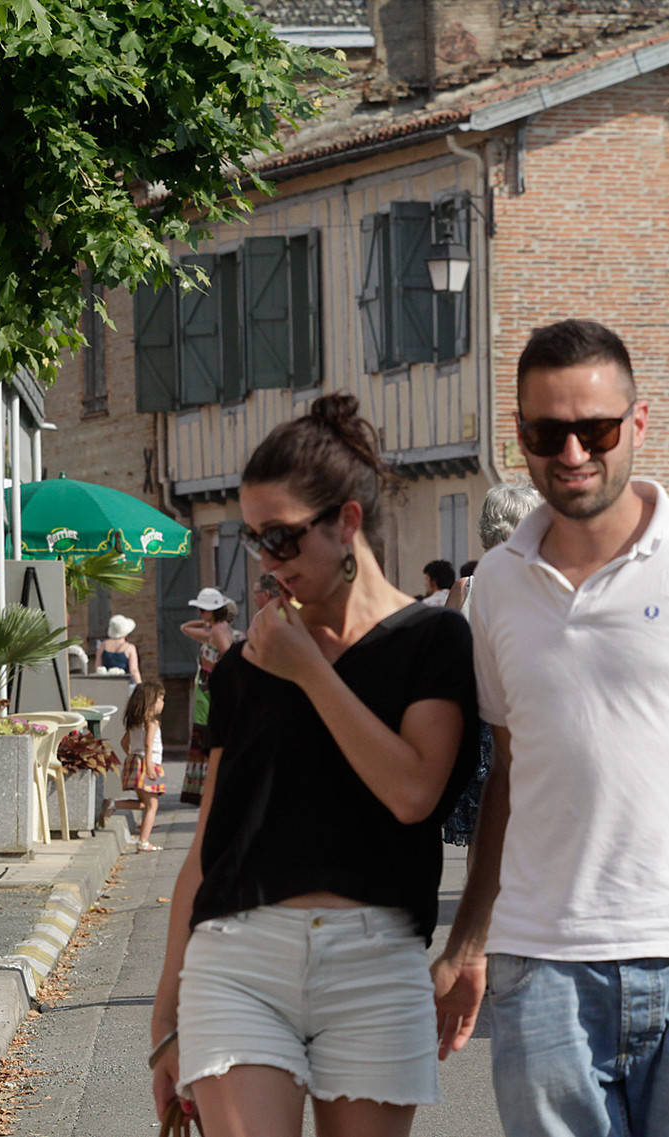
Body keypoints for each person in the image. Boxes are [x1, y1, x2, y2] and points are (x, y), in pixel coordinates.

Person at [431, 319, 669, 1137]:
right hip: (541, 970)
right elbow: (509, 777)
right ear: (520, 433)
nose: (575, 452)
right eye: (550, 432)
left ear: (639, 423)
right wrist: (468, 941)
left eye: (597, 428)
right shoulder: (500, 588)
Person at [149, 393, 479, 1137]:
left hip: (376, 960)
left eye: (282, 539)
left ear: (347, 524)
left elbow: (412, 791)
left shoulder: (431, 642)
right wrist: (165, 1013)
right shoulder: (246, 666)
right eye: (254, 540)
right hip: (237, 956)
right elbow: (207, 848)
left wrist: (310, 672)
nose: (266, 561)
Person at [440, 477, 542, 848]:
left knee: (485, 840)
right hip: (530, 724)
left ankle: (482, 906)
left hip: (479, 727)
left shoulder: (466, 588)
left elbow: (445, 663)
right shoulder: (549, 587)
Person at [177, 588, 239, 807]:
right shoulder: (218, 630)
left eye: (203, 610)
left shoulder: (217, 632)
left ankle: (212, 790)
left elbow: (229, 658)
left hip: (210, 696)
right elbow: (185, 628)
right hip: (209, 694)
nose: (201, 614)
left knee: (208, 742)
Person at [121, 681, 167, 853]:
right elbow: (149, 745)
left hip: (136, 760)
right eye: (160, 699)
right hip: (150, 763)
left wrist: (132, 757)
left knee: (146, 803)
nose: (163, 703)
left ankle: (112, 804)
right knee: (152, 804)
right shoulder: (152, 723)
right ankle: (143, 842)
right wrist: (148, 766)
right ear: (150, 701)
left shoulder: (135, 723)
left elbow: (124, 743)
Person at [97, 613, 142, 683]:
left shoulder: (103, 645)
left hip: (107, 683)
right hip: (125, 684)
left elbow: (98, 667)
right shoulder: (129, 648)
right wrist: (139, 685)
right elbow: (133, 670)